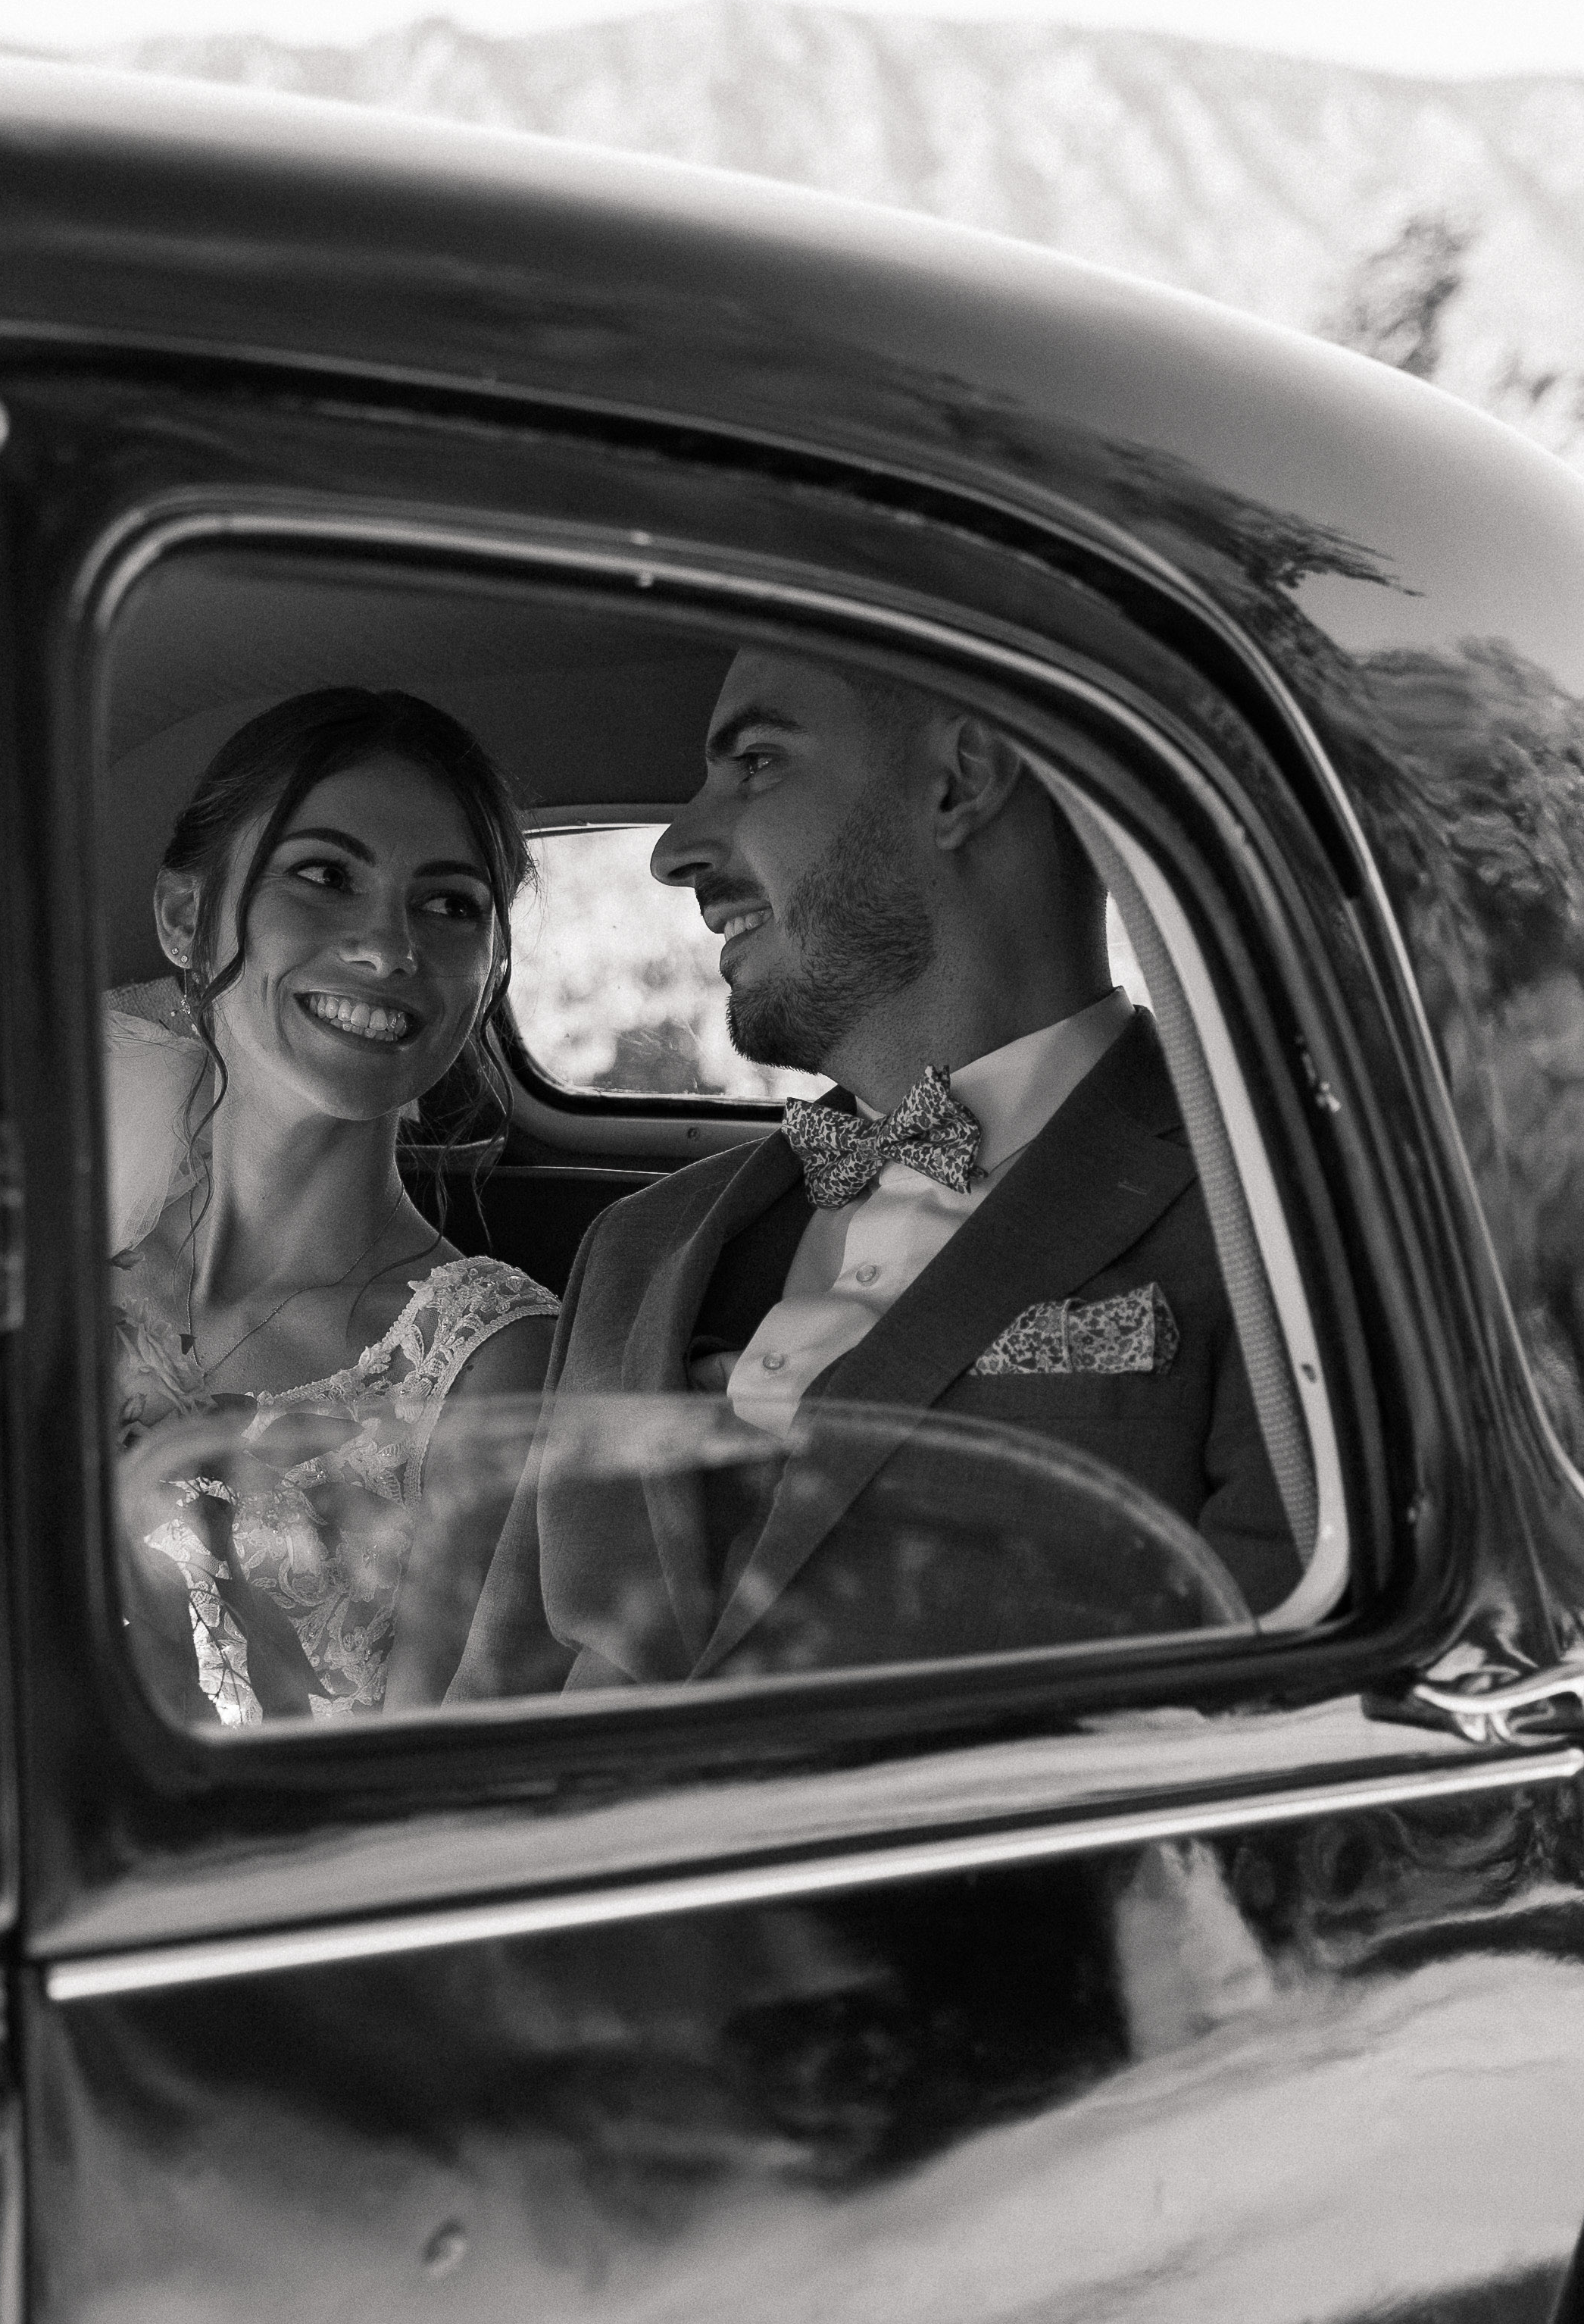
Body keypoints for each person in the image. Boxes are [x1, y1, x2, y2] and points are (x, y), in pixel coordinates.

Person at [441, 649, 1293, 1700]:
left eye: (755, 763)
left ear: (960, 781)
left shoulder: (1277, 1219)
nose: (675, 851)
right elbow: (490, 1709)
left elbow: (1275, 1736)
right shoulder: (639, 1248)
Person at [105, 687, 561, 1725]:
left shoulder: (488, 1363)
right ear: (185, 916)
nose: (391, 947)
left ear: (486, 973)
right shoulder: (41, 1263)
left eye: (450, 905)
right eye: (325, 876)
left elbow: (429, 1802)